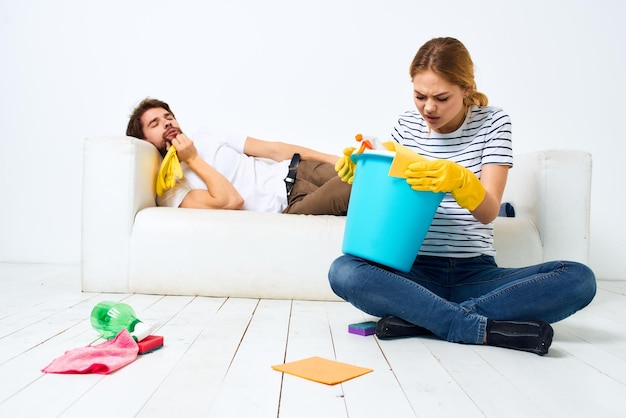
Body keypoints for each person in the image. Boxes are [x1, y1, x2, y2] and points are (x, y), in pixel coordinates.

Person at [328, 37, 596, 355]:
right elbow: (391, 205)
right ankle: (465, 322)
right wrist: (364, 172)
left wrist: (461, 180)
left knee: (579, 278)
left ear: (466, 88)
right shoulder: (407, 126)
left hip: (476, 273)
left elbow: (488, 211)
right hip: (412, 272)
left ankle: (424, 318)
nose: (429, 107)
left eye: (442, 98)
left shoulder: (493, 123)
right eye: (420, 96)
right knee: (343, 270)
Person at [125, 98, 351, 215]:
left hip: (299, 168)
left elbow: (273, 149)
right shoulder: (171, 190)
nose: (167, 122)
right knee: (358, 188)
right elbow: (231, 201)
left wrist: (335, 159)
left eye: (168, 117)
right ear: (144, 142)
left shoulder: (206, 134)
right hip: (291, 203)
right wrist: (192, 159)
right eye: (155, 124)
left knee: (365, 171)